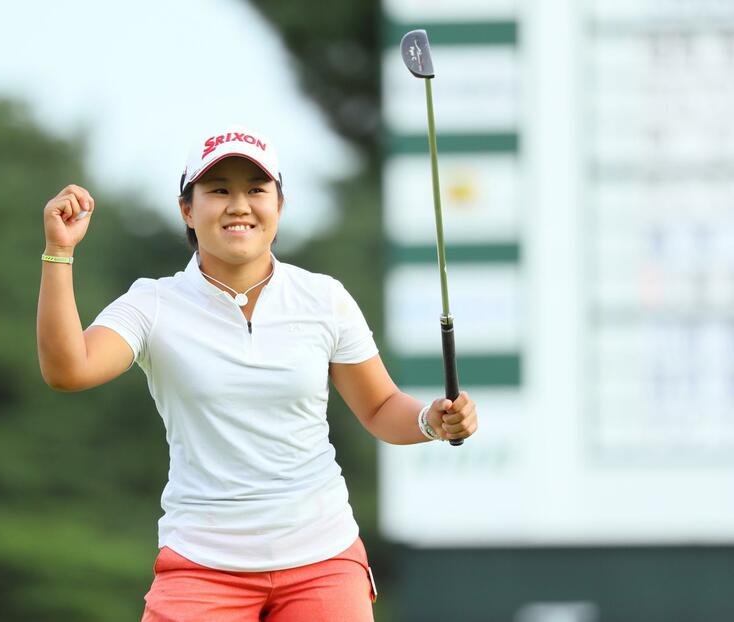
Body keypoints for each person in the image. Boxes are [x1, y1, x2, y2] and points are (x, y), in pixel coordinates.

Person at [36, 126, 478, 621]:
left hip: (322, 558)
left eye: (255, 190)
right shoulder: (154, 303)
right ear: (187, 209)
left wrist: (431, 421)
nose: (239, 205)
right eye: (219, 190)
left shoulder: (323, 298)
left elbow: (378, 407)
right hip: (202, 564)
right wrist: (60, 251)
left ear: (279, 206)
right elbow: (68, 369)